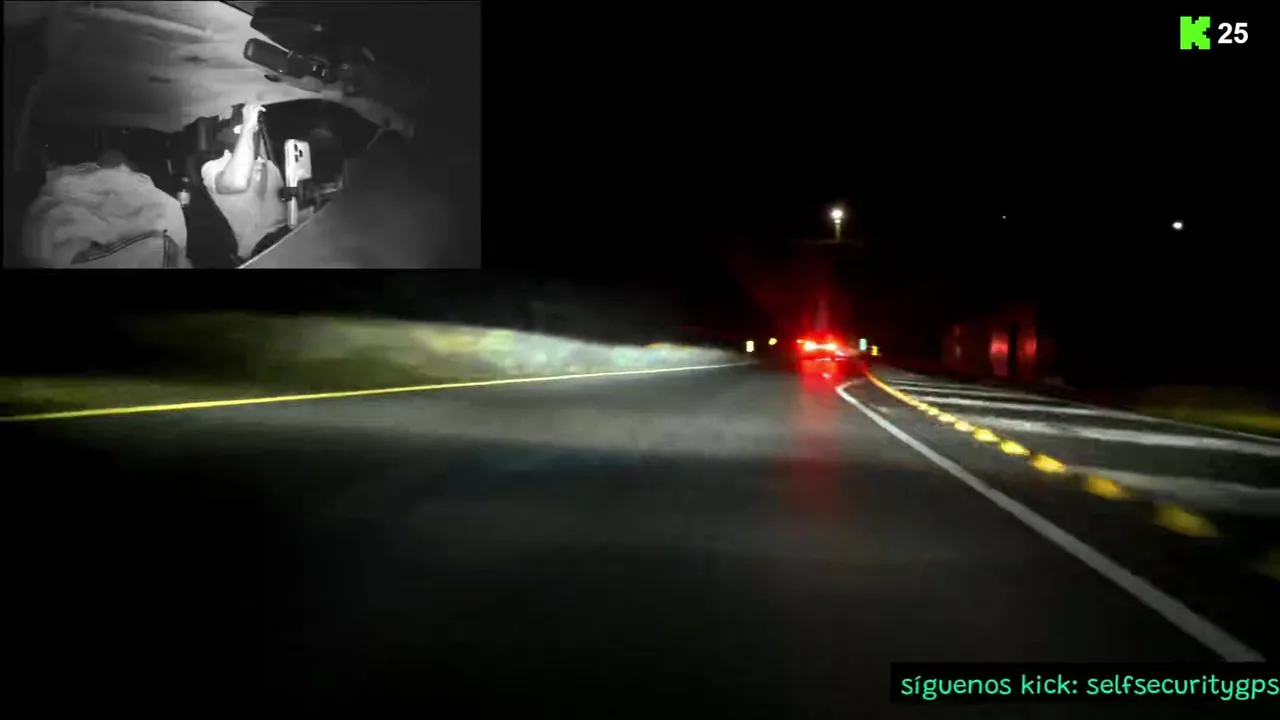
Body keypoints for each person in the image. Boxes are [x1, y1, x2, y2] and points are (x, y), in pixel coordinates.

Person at [199, 103, 288, 261]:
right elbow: (237, 182)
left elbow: (281, 214)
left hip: (285, 243)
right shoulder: (213, 167)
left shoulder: (270, 167)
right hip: (253, 256)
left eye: (256, 128)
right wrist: (248, 126)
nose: (254, 132)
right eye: (245, 127)